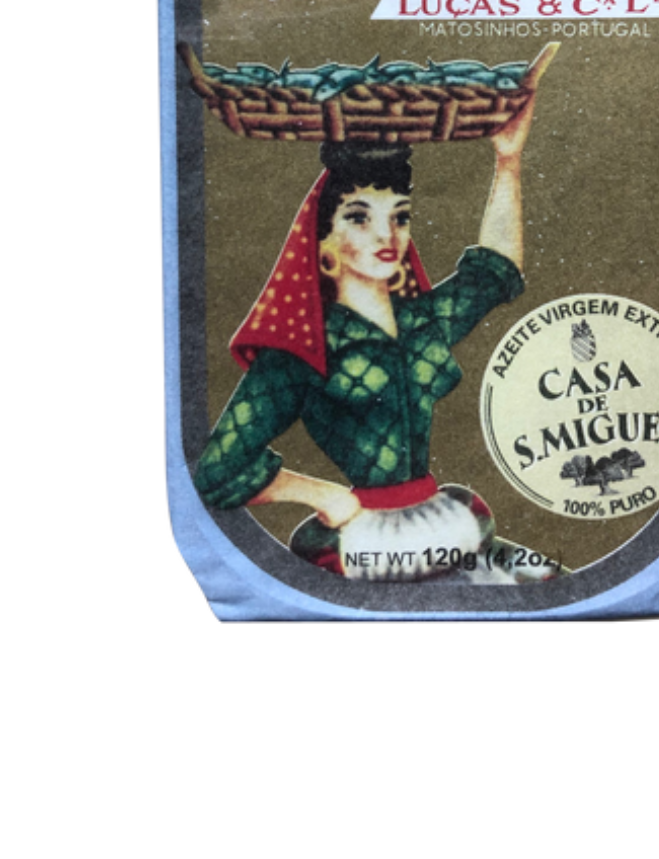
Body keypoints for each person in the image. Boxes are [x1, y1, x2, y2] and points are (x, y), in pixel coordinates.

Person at [192, 77, 555, 584]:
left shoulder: (421, 322)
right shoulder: (304, 350)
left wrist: (508, 159)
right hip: (368, 545)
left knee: (549, 586)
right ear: (323, 243)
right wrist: (325, 496)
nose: (387, 234)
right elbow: (216, 470)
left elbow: (495, 271)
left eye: (399, 217)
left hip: (445, 521)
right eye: (360, 218)